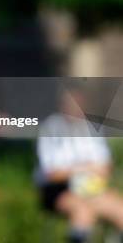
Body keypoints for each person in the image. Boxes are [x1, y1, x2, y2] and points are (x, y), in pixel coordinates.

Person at [36, 88, 123, 243]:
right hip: (59, 190)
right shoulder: (51, 127)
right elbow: (52, 174)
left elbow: (105, 165)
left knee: (119, 209)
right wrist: (83, 169)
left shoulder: (90, 127)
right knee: (83, 212)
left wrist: (97, 173)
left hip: (93, 189)